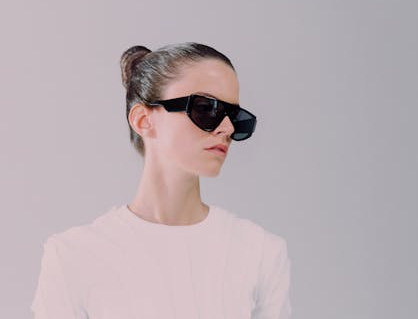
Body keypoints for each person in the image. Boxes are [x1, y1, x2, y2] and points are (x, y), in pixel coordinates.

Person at [30, 42, 292, 318]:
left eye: (236, 117)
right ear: (143, 120)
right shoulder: (72, 256)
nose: (226, 128)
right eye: (206, 108)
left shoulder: (261, 252)